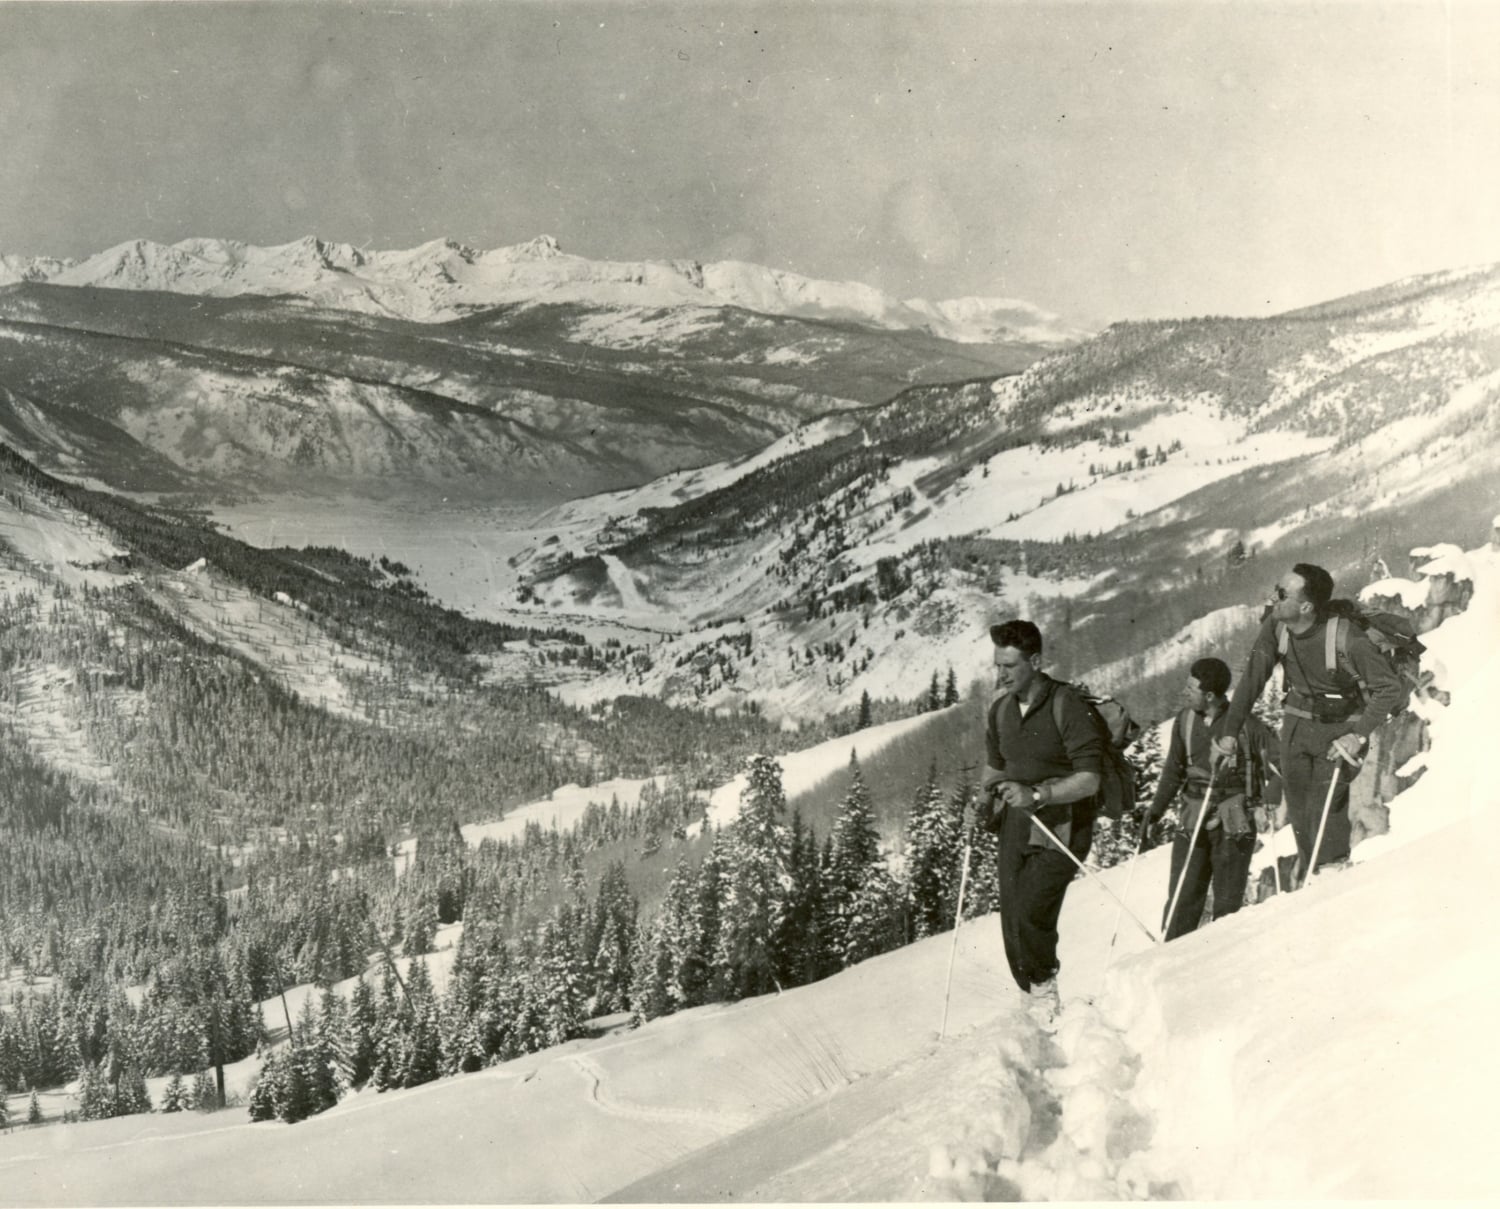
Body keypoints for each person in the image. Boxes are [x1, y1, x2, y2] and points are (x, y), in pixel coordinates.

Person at [1214, 563, 1405, 878]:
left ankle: (1331, 874)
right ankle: (1313, 879)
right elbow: (1251, 680)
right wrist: (1230, 732)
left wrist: (1357, 736)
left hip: (1342, 728)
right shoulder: (1276, 627)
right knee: (1300, 811)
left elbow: (1388, 688)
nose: (1272, 599)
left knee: (1325, 807)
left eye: (1282, 594)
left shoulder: (1347, 638)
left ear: (1305, 606)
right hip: (1297, 724)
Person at [971, 619, 1103, 1023]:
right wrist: (982, 800)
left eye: (1010, 666)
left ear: (1035, 661)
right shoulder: (1001, 710)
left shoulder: (1067, 704)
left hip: (1063, 824)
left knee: (1032, 908)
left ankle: (1044, 993)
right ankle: (1030, 995)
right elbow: (996, 766)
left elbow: (1090, 778)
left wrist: (1039, 795)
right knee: (1012, 915)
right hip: (1016, 823)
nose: (1001, 674)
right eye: (998, 665)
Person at [1147, 657, 1280, 939]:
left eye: (1190, 688)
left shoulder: (1247, 726)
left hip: (1234, 822)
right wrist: (1155, 811)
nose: (1185, 692)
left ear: (1209, 695)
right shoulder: (1184, 721)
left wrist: (1272, 792)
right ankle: (1171, 956)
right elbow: (1173, 770)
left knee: (1227, 906)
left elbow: (1281, 765)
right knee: (1181, 899)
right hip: (1192, 817)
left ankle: (1220, 958)